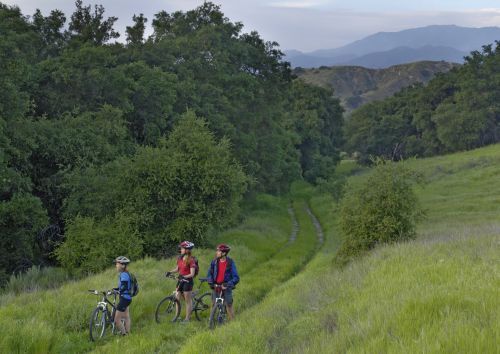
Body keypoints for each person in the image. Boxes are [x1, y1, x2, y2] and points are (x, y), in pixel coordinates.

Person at [166, 240, 197, 322]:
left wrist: (184, 276)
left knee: (187, 301)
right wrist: (170, 272)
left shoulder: (191, 260)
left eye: (182, 248)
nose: (181, 250)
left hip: (188, 281)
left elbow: (192, 274)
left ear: (187, 250)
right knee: (177, 299)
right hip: (180, 280)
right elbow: (177, 269)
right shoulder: (179, 258)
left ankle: (187, 319)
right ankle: (177, 316)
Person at [206, 244, 239, 320]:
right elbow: (209, 274)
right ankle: (211, 321)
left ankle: (233, 323)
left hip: (226, 286)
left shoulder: (230, 263)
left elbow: (236, 277)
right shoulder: (214, 262)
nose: (216, 252)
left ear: (224, 253)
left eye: (218, 251)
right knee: (214, 303)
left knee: (229, 305)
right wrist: (211, 282)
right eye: (217, 250)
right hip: (216, 286)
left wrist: (228, 284)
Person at [114, 256, 132, 335]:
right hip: (127, 298)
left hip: (124, 299)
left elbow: (124, 286)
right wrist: (117, 289)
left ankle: (124, 334)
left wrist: (118, 290)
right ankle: (128, 333)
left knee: (117, 320)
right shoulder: (125, 273)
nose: (116, 265)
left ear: (123, 265)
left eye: (118, 264)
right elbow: (123, 286)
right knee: (126, 316)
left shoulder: (124, 274)